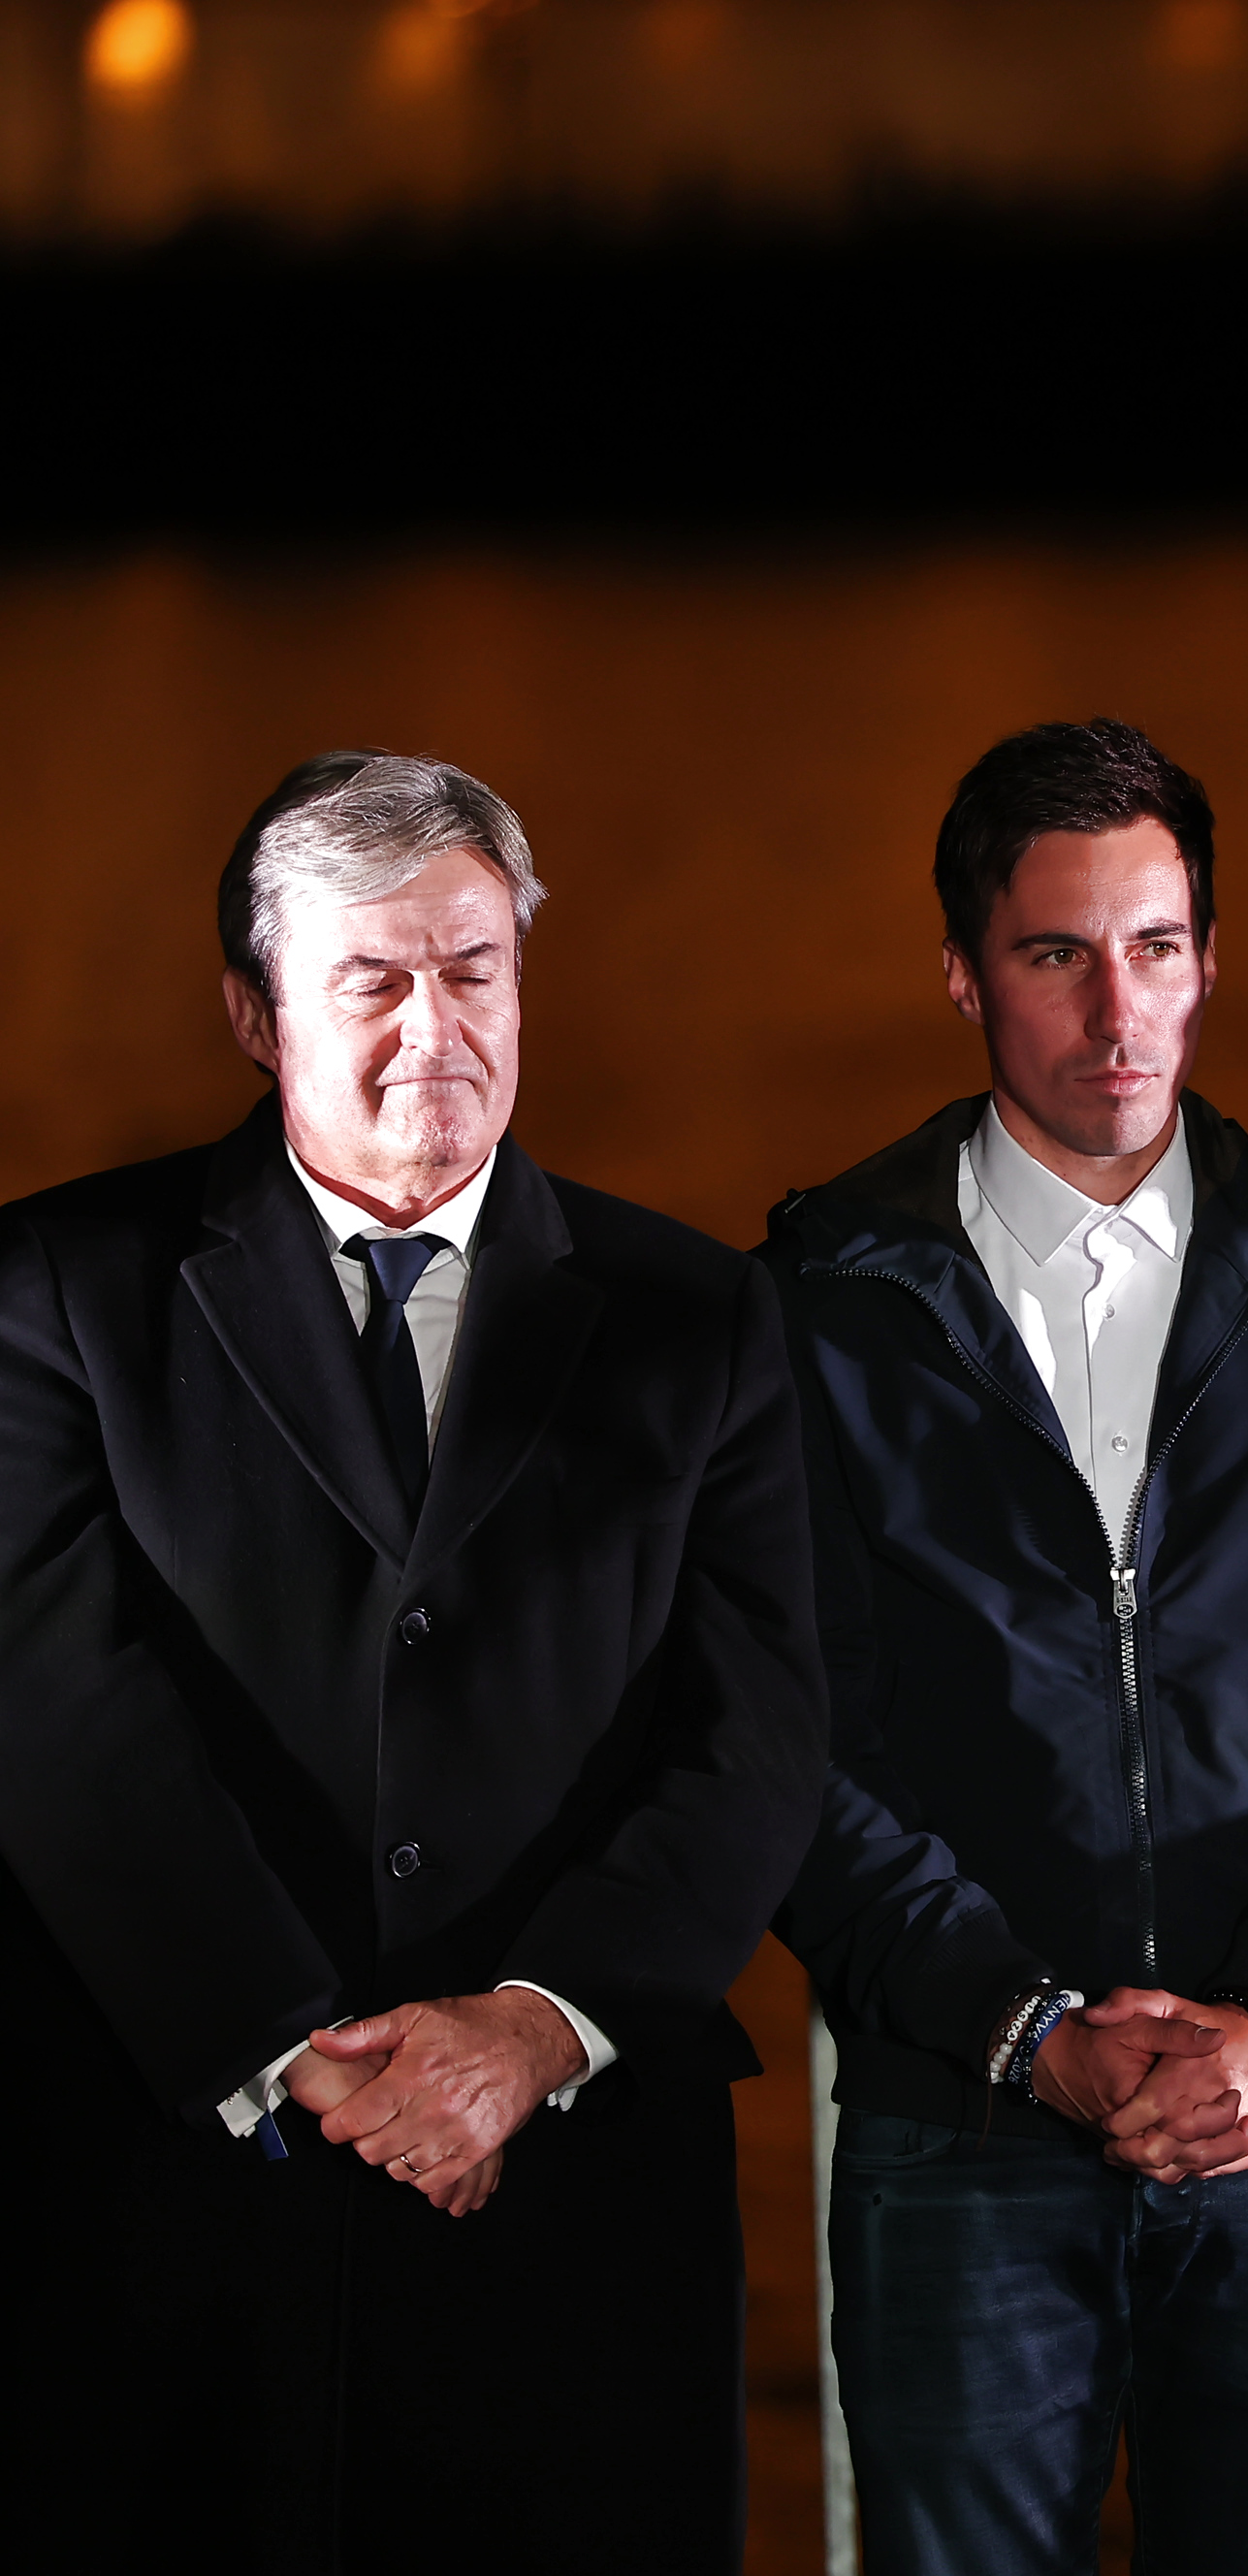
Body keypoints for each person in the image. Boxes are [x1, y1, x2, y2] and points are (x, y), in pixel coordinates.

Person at [0, 752, 829, 2568]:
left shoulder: (700, 1314)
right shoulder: (55, 1288)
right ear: (255, 1012)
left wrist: (535, 2028)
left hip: (578, 2202)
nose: (432, 1030)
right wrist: (296, 2051)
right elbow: (51, 1704)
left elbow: (759, 1733)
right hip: (181, 2194)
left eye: (472, 971)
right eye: (371, 979)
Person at [762, 719, 1248, 2574]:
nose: (1120, 1013)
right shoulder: (815, 1311)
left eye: (1158, 948)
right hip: (960, 2126)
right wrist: (1026, 2031)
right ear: (965, 974)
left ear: (1208, 958)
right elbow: (786, 1740)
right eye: (1057, 954)